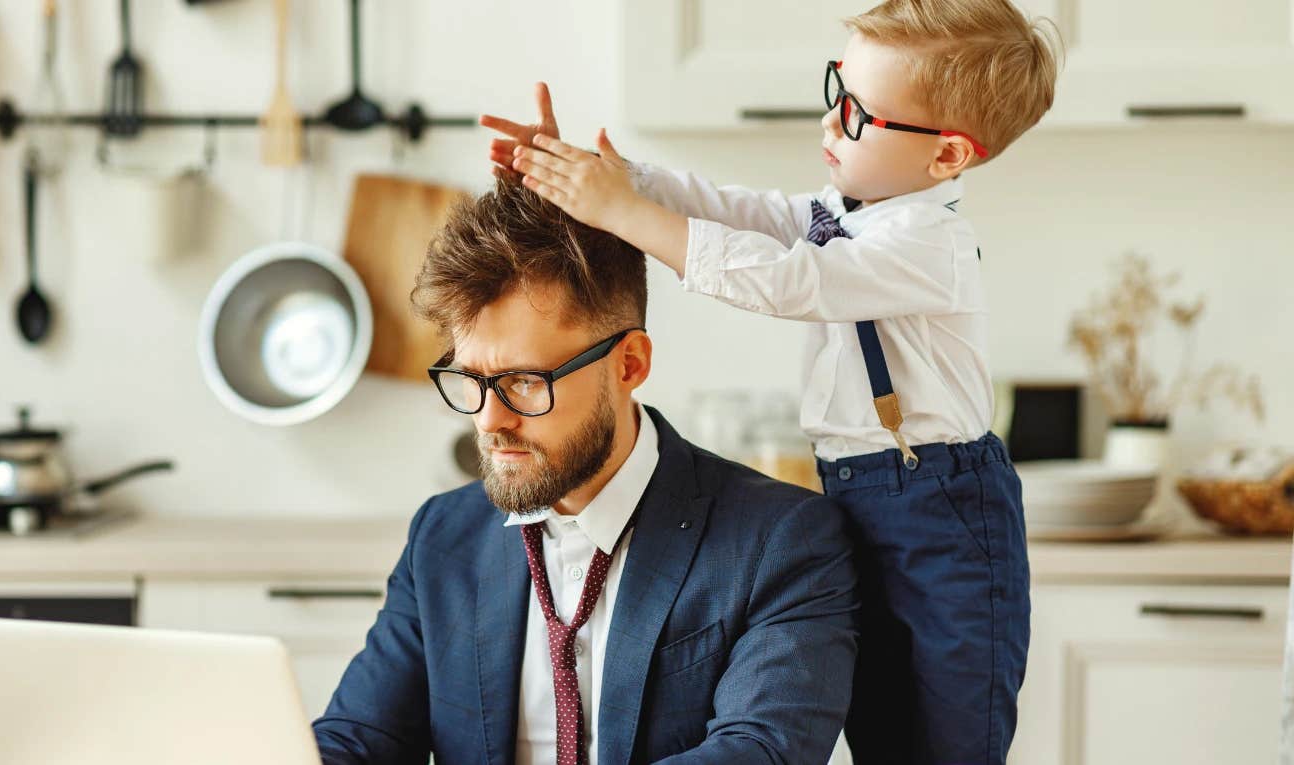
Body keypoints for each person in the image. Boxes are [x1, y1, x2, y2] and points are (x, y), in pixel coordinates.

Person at [481, 1, 1061, 761]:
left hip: (942, 516)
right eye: (836, 90)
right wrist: (610, 181)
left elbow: (789, 280)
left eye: (858, 115)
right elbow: (741, 214)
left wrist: (622, 211)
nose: (829, 123)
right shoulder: (849, 213)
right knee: (883, 727)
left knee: (947, 737)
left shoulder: (930, 244)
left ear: (948, 156)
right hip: (861, 496)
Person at [312, 179, 860, 765]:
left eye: (525, 381)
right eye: (470, 380)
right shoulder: (442, 537)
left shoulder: (781, 540)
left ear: (629, 364)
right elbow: (357, 740)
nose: (490, 420)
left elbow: (760, 752)